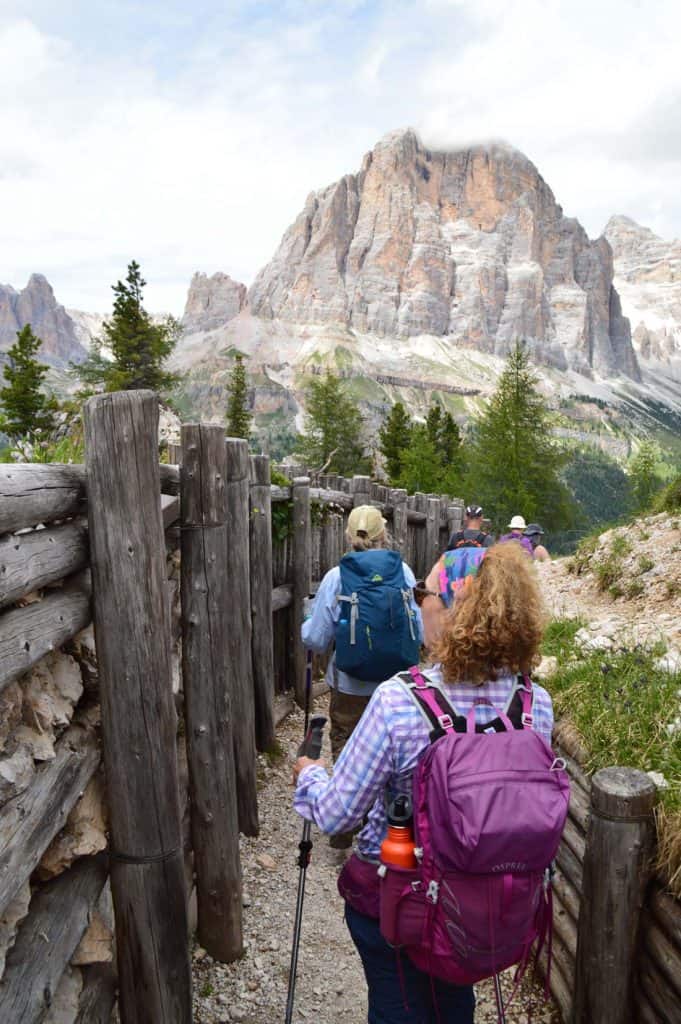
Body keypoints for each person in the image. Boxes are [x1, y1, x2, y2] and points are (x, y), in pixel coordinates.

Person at [293, 543, 554, 1023]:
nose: (419, 603)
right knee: (451, 997)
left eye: (425, 593)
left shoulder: (399, 701)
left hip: (401, 901)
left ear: (455, 607)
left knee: (397, 1006)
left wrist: (310, 777)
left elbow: (336, 814)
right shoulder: (535, 702)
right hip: (484, 907)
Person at [301, 504, 422, 848]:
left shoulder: (337, 577)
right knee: (395, 751)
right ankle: (388, 824)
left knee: (347, 744)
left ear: (348, 535)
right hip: (398, 684)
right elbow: (420, 630)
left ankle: (343, 828)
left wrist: (304, 623)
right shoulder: (405, 573)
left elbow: (316, 638)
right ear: (384, 533)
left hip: (350, 684)